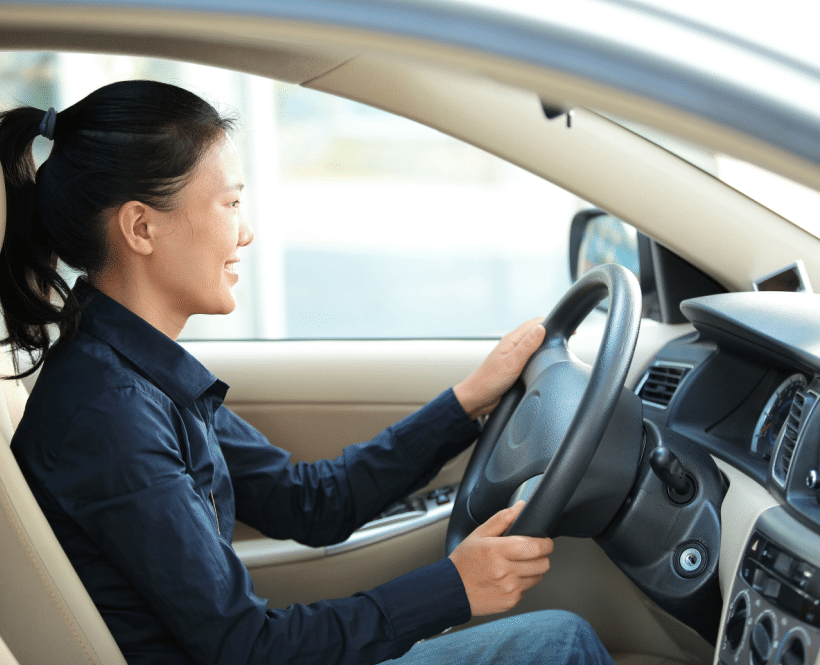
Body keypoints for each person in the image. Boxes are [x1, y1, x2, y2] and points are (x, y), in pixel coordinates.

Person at [0, 80, 616, 665]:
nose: (245, 232)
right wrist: (455, 587)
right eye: (230, 203)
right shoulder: (109, 414)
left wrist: (465, 404)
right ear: (141, 227)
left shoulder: (137, 376)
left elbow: (310, 504)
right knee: (560, 643)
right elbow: (249, 649)